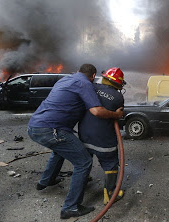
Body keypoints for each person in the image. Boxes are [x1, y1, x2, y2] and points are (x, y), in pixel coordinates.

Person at [27, 64, 124, 220]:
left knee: (59, 150)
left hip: (35, 126)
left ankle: (46, 181)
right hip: (52, 129)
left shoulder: (66, 79)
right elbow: (97, 111)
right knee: (84, 162)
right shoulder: (85, 84)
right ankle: (70, 207)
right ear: (93, 76)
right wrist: (115, 115)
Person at [78, 67, 125, 206]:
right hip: (104, 139)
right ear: (119, 83)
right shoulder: (118, 97)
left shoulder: (90, 87)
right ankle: (110, 195)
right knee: (111, 164)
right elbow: (118, 115)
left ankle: (83, 183)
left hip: (84, 135)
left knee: (84, 161)